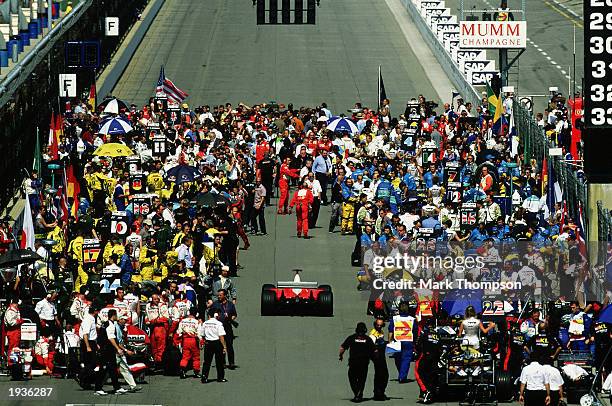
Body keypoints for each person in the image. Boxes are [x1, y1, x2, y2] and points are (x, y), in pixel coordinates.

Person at [339, 322, 376, 403]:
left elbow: (342, 347)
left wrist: (341, 355)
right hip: (364, 363)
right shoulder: (368, 339)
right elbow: (374, 350)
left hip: (353, 362)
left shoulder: (352, 337)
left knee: (352, 378)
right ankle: (359, 393)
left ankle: (357, 393)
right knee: (362, 379)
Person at [95, 309, 128, 395]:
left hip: (108, 349)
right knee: (104, 369)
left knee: (113, 369)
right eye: (116, 315)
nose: (117, 317)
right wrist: (118, 349)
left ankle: (117, 387)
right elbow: (111, 338)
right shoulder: (110, 325)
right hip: (106, 350)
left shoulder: (106, 324)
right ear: (113, 315)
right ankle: (98, 388)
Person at [388, 302, 418, 384]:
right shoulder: (412, 319)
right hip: (408, 341)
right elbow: (415, 332)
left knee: (398, 358)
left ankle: (401, 374)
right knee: (406, 359)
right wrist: (415, 342)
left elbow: (390, 331)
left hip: (397, 340)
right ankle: (402, 376)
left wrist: (390, 341)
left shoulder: (395, 318)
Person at [210, 289, 237, 369]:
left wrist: (231, 319)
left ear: (224, 295)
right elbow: (210, 314)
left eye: (220, 295)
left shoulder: (230, 304)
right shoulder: (215, 304)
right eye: (218, 295)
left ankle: (231, 363)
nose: (219, 296)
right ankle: (222, 363)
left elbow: (234, 314)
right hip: (218, 327)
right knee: (221, 345)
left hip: (227, 327)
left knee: (229, 345)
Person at [200, 310, 228, 383]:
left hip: (208, 343)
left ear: (209, 316)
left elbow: (202, 334)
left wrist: (203, 342)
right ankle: (220, 377)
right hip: (217, 343)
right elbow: (221, 336)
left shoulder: (205, 323)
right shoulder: (218, 324)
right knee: (219, 361)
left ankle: (204, 377)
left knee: (207, 361)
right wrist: (224, 346)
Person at [145, 294, 169, 367]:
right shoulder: (148, 306)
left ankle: (160, 363)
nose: (156, 300)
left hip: (160, 328)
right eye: (154, 299)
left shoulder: (162, 306)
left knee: (161, 346)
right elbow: (146, 316)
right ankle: (156, 361)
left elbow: (166, 318)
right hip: (151, 328)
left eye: (157, 299)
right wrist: (147, 321)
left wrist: (155, 321)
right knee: (153, 346)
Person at [176, 308, 202, 379]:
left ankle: (182, 370)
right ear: (196, 314)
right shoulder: (197, 322)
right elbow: (199, 333)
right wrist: (201, 341)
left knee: (185, 357)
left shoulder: (182, 321)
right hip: (193, 340)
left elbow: (178, 332)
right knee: (196, 357)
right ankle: (196, 372)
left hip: (185, 341)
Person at [78, 305, 99, 390]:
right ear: (95, 311)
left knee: (90, 362)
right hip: (88, 343)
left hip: (92, 342)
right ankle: (81, 374)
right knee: (93, 362)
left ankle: (86, 382)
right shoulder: (88, 320)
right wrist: (88, 346)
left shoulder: (92, 319)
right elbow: (85, 334)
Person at [369, 317, 389, 401]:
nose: (379, 327)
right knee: (379, 375)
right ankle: (377, 393)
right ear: (375, 325)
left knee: (385, 375)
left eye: (381, 325)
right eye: (378, 325)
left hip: (382, 356)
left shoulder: (381, 332)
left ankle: (381, 392)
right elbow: (371, 347)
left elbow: (382, 342)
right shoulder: (373, 334)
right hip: (377, 357)